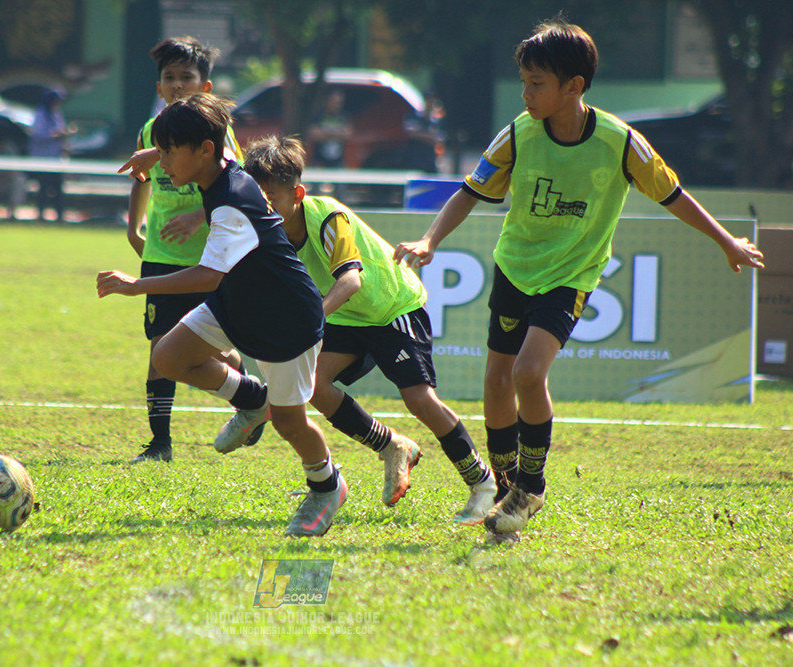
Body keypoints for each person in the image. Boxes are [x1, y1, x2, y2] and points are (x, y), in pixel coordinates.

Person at [393, 17, 764, 544]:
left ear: (575, 86)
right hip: (515, 268)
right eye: (523, 81)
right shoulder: (518, 133)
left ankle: (531, 486)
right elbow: (469, 191)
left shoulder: (620, 142)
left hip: (571, 276)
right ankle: (506, 492)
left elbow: (673, 195)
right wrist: (431, 240)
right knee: (496, 383)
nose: (525, 94)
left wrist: (725, 240)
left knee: (527, 373)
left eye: (536, 84)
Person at [97, 93, 347, 537]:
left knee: (292, 423)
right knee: (169, 357)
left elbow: (209, 274)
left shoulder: (231, 199)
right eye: (165, 151)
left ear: (203, 150)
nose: (164, 166)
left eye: (172, 152)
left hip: (285, 317)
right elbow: (217, 145)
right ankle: (253, 399)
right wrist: (157, 150)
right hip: (239, 301)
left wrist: (138, 286)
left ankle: (327, 487)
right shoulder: (222, 164)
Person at [244, 135, 496, 520]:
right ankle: (392, 446)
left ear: (297, 193)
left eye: (271, 196)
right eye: (257, 198)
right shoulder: (268, 230)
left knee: (419, 399)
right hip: (349, 316)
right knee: (313, 385)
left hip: (392, 305)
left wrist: (309, 321)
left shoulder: (327, 216)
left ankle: (483, 484)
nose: (264, 206)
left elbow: (350, 281)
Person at [123, 36, 253, 464]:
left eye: (187, 77)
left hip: (207, 259)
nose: (177, 85)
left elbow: (234, 179)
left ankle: (247, 392)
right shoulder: (151, 130)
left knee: (210, 351)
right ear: (159, 87)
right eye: (169, 78)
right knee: (160, 348)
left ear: (205, 87)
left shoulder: (215, 132)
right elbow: (140, 179)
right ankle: (159, 444)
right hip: (161, 254)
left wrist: (199, 217)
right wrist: (134, 227)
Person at [29, 89, 73, 222]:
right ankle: (40, 215)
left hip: (56, 158)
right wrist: (57, 135)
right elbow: (38, 135)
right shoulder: (40, 115)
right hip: (42, 158)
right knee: (43, 187)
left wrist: (65, 139)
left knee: (58, 187)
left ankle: (59, 216)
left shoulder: (56, 114)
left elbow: (62, 131)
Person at [307, 89, 351, 168]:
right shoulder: (318, 116)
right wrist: (337, 134)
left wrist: (326, 134)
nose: (338, 105)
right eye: (335, 102)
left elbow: (348, 134)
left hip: (338, 161)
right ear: (327, 101)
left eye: (340, 103)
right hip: (319, 160)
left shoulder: (343, 117)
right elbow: (314, 134)